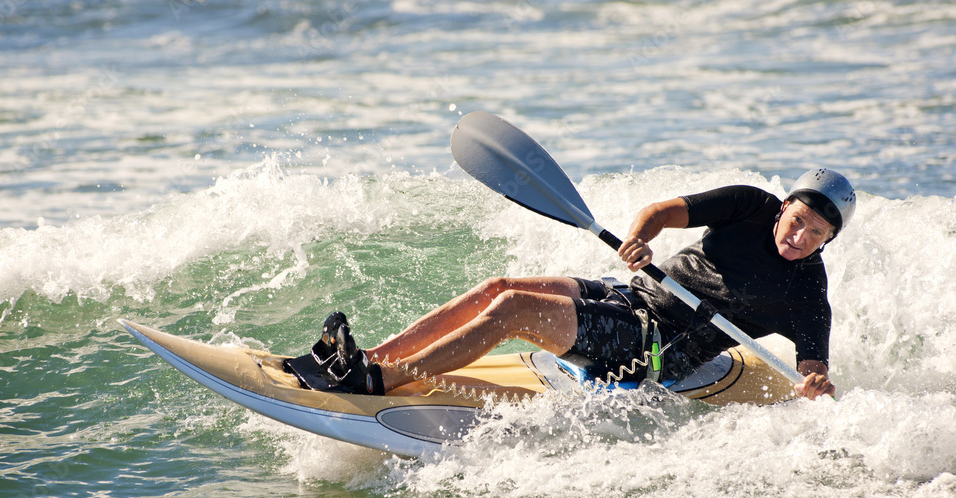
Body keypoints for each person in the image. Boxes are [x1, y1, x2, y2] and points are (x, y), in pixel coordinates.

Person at [288, 169, 855, 401]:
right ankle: (371, 358)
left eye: (818, 233)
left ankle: (380, 382)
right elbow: (659, 212)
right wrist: (637, 240)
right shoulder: (750, 205)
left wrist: (814, 386)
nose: (802, 237)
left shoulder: (807, 291)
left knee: (511, 309)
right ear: (785, 207)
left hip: (654, 349)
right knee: (498, 286)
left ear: (828, 240)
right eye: (799, 220)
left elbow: (813, 367)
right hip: (631, 296)